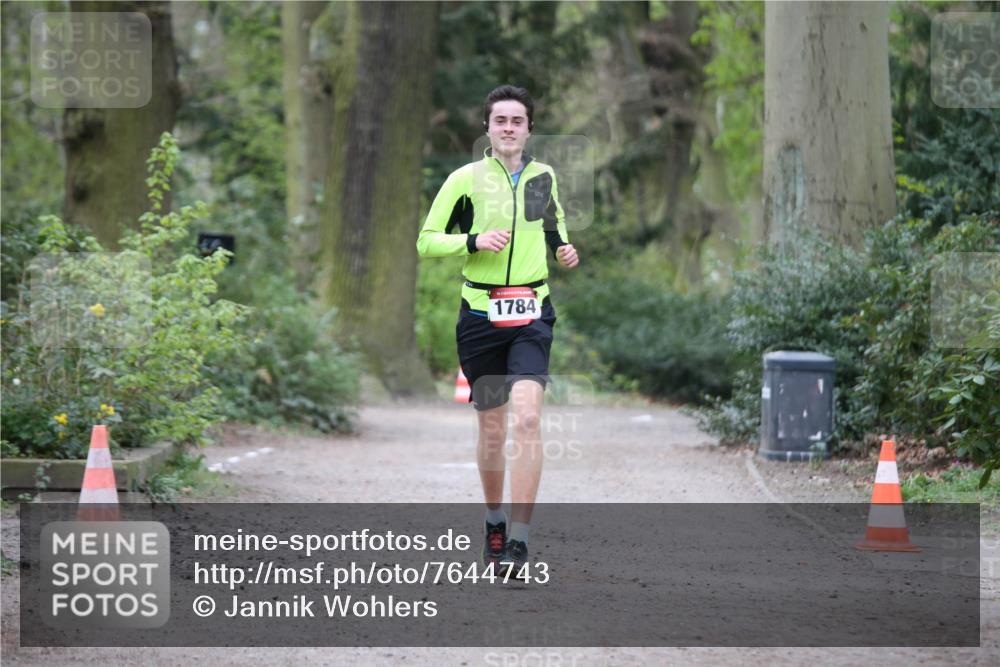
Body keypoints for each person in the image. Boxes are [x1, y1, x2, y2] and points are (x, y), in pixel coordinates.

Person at [417, 85, 579, 575]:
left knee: (527, 419)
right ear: (487, 128)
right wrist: (474, 240)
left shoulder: (544, 177)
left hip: (531, 313)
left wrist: (565, 251)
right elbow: (427, 241)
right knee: (492, 428)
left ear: (529, 129)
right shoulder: (464, 180)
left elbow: (555, 230)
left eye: (517, 120)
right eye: (500, 120)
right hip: (481, 316)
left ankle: (520, 540)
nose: (509, 128)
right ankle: (494, 519)